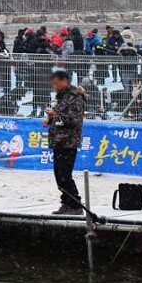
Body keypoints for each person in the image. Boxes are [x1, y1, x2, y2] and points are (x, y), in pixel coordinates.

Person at [43, 70, 86, 215]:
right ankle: (66, 203)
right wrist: (50, 119)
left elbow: (75, 120)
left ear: (64, 80)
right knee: (58, 174)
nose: (54, 86)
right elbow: (59, 116)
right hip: (58, 141)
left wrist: (56, 115)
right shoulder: (61, 97)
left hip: (69, 141)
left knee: (65, 175)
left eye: (56, 83)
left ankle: (75, 204)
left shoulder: (75, 97)